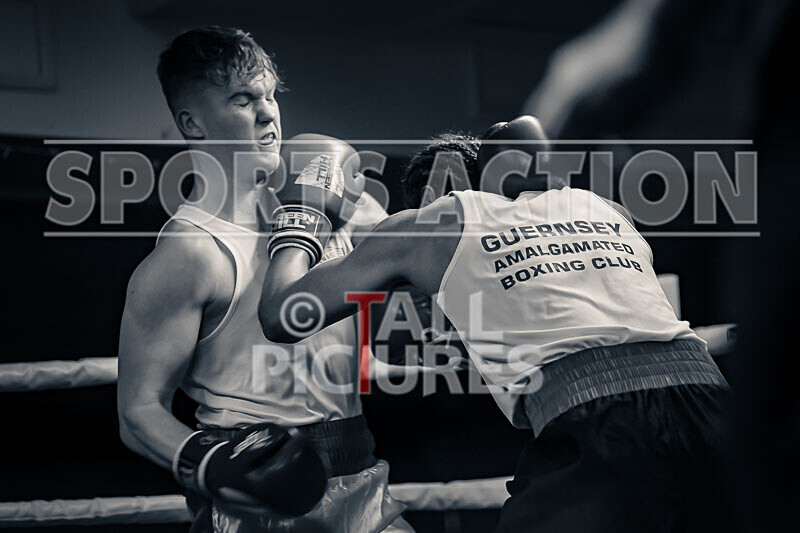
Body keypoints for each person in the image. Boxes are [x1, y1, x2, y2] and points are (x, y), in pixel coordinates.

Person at [259, 115, 730, 532]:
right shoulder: (601, 208)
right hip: (717, 409)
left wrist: (304, 209)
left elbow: (283, 314)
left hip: (603, 430)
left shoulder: (428, 224)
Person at [117, 26, 411, 533]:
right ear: (192, 122)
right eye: (242, 98)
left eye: (271, 95)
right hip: (262, 487)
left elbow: (411, 263)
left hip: (360, 472)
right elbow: (139, 410)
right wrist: (209, 464)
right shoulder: (191, 254)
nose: (268, 112)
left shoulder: (328, 203)